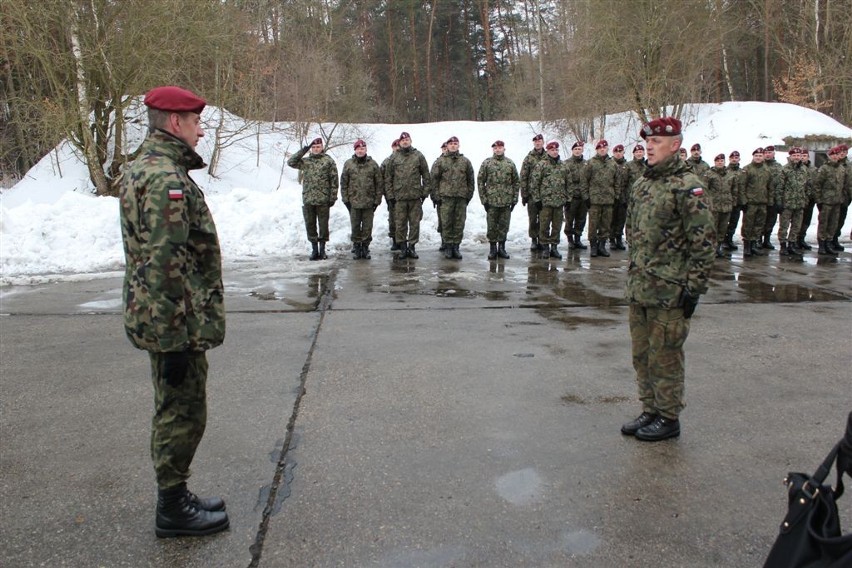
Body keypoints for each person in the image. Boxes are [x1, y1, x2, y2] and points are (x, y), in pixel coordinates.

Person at [119, 86, 229, 537]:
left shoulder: (149, 168)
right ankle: (172, 508)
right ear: (174, 123)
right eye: (196, 122)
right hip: (174, 324)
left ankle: (176, 494)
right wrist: (173, 340)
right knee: (181, 411)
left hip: (169, 319)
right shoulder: (165, 180)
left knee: (176, 408)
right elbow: (164, 265)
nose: (201, 131)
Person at [622, 116, 715, 441]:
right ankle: (650, 409)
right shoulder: (642, 183)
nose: (649, 146)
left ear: (675, 145)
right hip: (641, 289)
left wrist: (694, 288)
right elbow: (633, 234)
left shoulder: (688, 186)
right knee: (642, 356)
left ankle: (668, 417)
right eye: (647, 141)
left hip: (670, 292)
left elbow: (703, 242)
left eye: (657, 142)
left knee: (666, 358)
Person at [288, 137, 338, 260]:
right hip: (309, 198)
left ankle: (322, 249)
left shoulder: (328, 161)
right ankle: (314, 249)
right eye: (314, 147)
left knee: (323, 226)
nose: (316, 149)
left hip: (323, 199)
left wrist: (332, 197)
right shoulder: (306, 161)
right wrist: (304, 150)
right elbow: (291, 162)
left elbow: (334, 180)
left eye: (318, 147)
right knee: (310, 225)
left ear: (322, 147)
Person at [385, 131, 431, 259]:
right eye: (403, 140)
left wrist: (424, 193)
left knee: (415, 224)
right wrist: (390, 196)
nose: (405, 142)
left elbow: (426, 176)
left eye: (407, 140)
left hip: (415, 197)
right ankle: (403, 248)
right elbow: (388, 178)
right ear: (399, 142)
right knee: (400, 224)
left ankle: (412, 247)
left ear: (411, 141)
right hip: (399, 198)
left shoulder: (418, 156)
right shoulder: (394, 158)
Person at [431, 136, 475, 259]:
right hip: (446, 198)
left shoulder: (465, 161)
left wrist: (468, 195)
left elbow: (470, 179)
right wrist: (435, 196)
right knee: (446, 223)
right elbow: (434, 180)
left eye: (456, 144)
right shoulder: (440, 161)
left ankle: (456, 247)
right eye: (451, 144)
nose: (453, 146)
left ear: (458, 146)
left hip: (461, 197)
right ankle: (448, 247)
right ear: (447, 146)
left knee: (459, 223)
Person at [341, 139, 383, 259]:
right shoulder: (349, 164)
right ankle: (357, 247)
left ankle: (365, 247)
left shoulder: (373, 164)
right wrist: (346, 200)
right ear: (355, 150)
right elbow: (344, 183)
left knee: (367, 227)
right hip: (353, 202)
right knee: (355, 226)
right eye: (358, 149)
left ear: (366, 150)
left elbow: (379, 183)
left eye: (363, 148)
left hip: (369, 202)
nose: (360, 151)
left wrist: (377, 201)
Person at [478, 140, 520, 260]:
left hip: (506, 201)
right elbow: (481, 181)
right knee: (491, 226)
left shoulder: (510, 163)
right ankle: (492, 248)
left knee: (504, 226)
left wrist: (514, 199)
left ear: (504, 149)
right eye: (496, 148)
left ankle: (502, 247)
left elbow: (516, 182)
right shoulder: (487, 163)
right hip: (491, 201)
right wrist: (484, 200)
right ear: (493, 149)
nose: (498, 150)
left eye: (500, 147)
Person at [530, 140, 569, 259]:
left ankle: (554, 247)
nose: (555, 152)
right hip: (545, 202)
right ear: (548, 151)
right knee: (544, 226)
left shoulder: (563, 166)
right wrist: (537, 199)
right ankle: (545, 247)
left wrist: (568, 199)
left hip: (559, 202)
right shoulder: (541, 165)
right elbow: (534, 183)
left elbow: (569, 183)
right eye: (552, 150)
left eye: (556, 150)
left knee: (557, 226)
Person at [581, 139, 617, 257]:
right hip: (594, 200)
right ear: (597, 150)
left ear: (607, 149)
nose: (602, 150)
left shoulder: (612, 164)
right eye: (600, 148)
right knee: (593, 224)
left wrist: (616, 196)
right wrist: (586, 197)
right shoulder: (591, 163)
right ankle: (593, 246)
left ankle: (602, 245)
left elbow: (618, 181)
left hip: (608, 199)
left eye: (604, 148)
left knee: (606, 224)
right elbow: (584, 181)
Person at [775, 147, 808, 259]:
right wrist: (779, 202)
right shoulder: (785, 170)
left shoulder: (804, 169)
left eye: (798, 156)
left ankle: (792, 244)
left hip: (799, 203)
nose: (796, 157)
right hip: (787, 203)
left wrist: (806, 199)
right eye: (794, 156)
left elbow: (807, 186)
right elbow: (779, 187)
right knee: (784, 226)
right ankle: (783, 245)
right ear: (790, 156)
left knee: (796, 226)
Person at [814, 146, 846, 256]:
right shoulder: (824, 168)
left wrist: (842, 197)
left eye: (837, 155)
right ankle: (822, 245)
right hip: (826, 201)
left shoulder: (841, 169)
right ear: (830, 156)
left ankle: (829, 243)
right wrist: (819, 200)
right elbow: (817, 185)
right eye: (834, 155)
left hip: (837, 201)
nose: (836, 157)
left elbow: (844, 185)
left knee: (833, 224)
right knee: (824, 223)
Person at [741, 148, 772, 257]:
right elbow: (742, 186)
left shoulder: (767, 170)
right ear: (753, 157)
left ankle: (754, 245)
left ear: (763, 157)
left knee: (759, 225)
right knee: (748, 225)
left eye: (760, 155)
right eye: (756, 156)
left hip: (762, 202)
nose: (758, 157)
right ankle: (747, 246)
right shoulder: (747, 169)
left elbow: (769, 187)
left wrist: (770, 201)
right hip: (751, 202)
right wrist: (743, 201)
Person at [520, 134, 547, 251]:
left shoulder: (548, 156)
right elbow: (523, 177)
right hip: (532, 194)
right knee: (533, 218)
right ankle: (534, 240)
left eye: (540, 141)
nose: (538, 143)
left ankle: (542, 239)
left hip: (546, 194)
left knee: (544, 219)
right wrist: (524, 194)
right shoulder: (529, 158)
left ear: (543, 142)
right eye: (536, 142)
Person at [705, 153, 733, 259]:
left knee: (723, 228)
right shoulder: (709, 174)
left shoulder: (729, 174)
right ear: (715, 162)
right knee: (713, 228)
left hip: (726, 206)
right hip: (714, 206)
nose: (720, 163)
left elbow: (733, 189)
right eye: (718, 161)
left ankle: (718, 247)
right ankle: (711, 248)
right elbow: (704, 190)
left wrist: (732, 202)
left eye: (722, 161)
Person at [564, 141, 588, 250]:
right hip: (571, 197)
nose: (577, 151)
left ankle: (578, 239)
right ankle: (570, 240)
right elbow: (563, 181)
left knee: (581, 219)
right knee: (569, 219)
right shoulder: (566, 164)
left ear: (582, 150)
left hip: (583, 197)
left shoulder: (587, 164)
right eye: (575, 149)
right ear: (572, 151)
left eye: (579, 149)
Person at [760, 145, 784, 250]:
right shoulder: (760, 165)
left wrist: (779, 200)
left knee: (771, 221)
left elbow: (781, 184)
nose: (767, 155)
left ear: (773, 154)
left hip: (774, 199)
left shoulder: (778, 167)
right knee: (760, 220)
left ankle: (767, 239)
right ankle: (758, 240)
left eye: (770, 153)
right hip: (762, 198)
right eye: (766, 153)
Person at [609, 144, 630, 251]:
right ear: (613, 153)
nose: (618, 153)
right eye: (616, 152)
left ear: (623, 153)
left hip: (623, 196)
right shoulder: (609, 164)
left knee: (621, 219)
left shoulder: (627, 165)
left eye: (620, 152)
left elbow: (629, 182)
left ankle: (619, 238)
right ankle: (611, 239)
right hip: (612, 196)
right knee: (612, 218)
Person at [381, 140, 400, 250]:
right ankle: (394, 240)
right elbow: (381, 179)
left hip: (403, 195)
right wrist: (387, 195)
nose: (397, 148)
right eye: (395, 146)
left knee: (402, 220)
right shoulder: (387, 162)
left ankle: (402, 240)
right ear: (392, 147)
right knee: (392, 219)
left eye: (398, 146)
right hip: (391, 195)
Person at [724, 151, 744, 251]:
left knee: (734, 222)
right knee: (724, 222)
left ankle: (730, 239)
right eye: (732, 157)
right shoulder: (725, 171)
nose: (734, 159)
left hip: (738, 201)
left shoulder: (743, 172)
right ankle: (723, 241)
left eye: (736, 157)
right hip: (727, 201)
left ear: (739, 159)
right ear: (729, 159)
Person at [433, 142, 449, 251]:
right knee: (442, 221)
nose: (445, 150)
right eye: (443, 148)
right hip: (441, 197)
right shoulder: (438, 162)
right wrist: (435, 196)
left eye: (445, 148)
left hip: (453, 195)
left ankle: (451, 243)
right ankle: (444, 241)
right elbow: (433, 180)